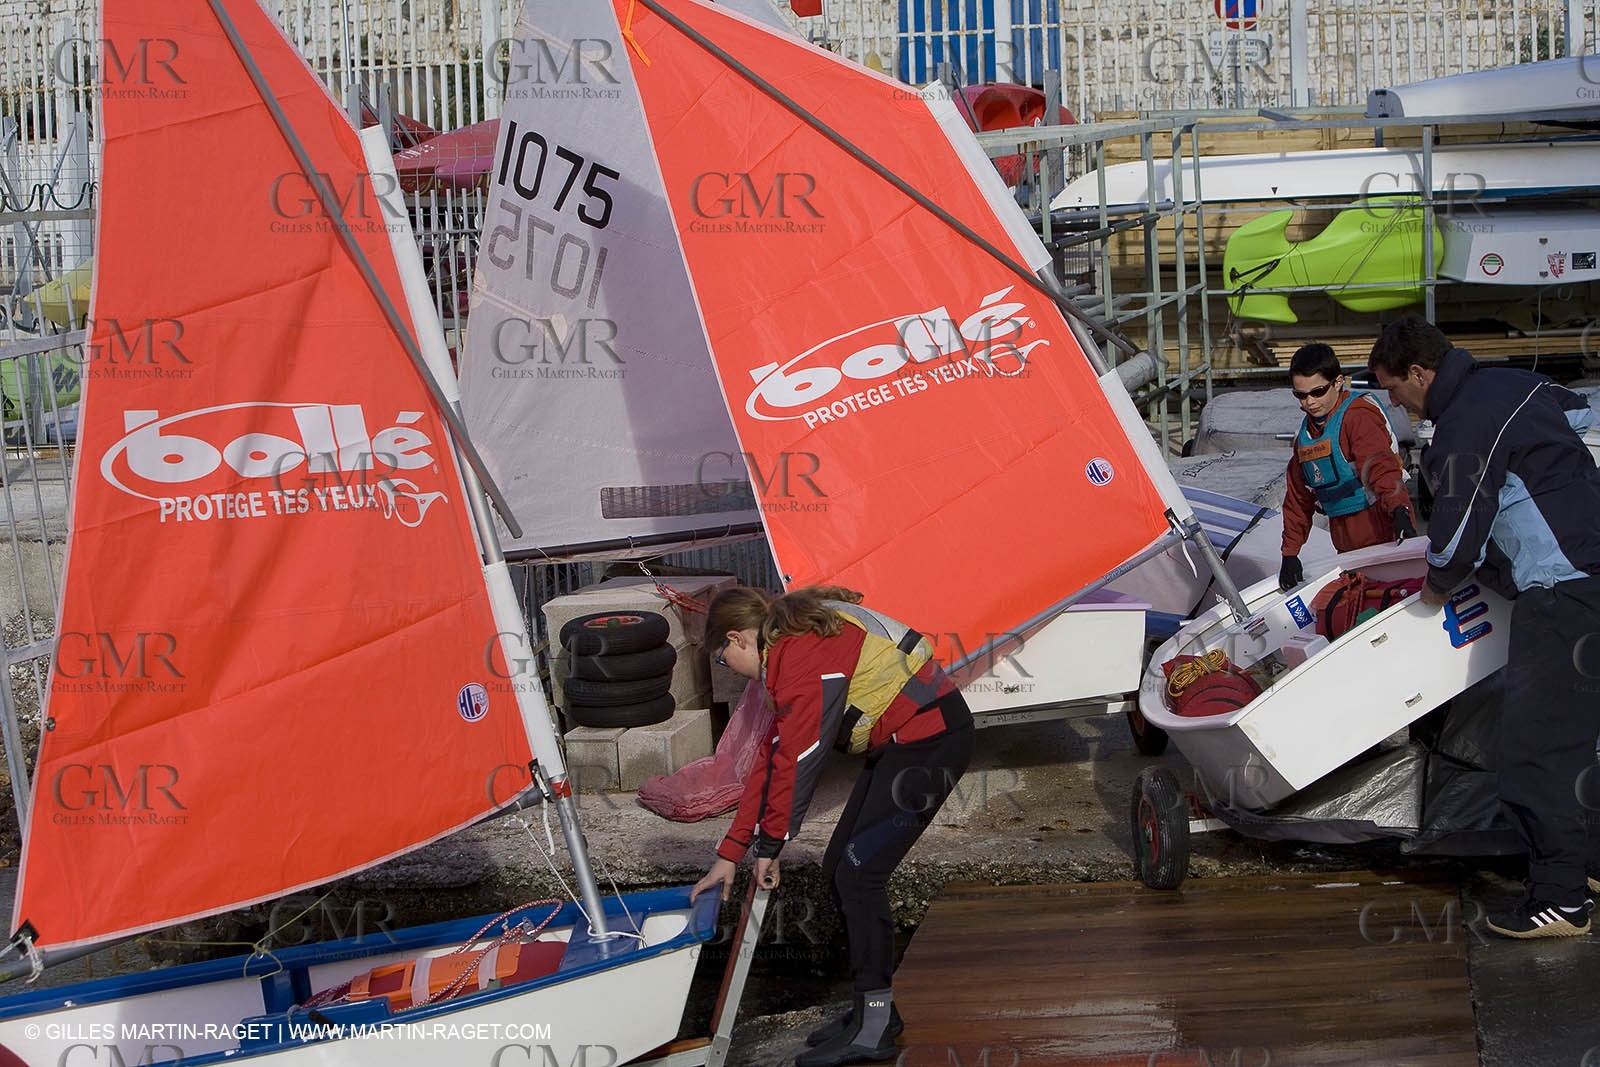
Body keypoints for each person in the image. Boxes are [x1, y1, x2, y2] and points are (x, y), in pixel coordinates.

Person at [1368, 313, 1600, 938]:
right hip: (1589, 572)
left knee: (1533, 751)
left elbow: (1457, 531)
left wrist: (1435, 589)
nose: (1394, 401)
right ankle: (1588, 864)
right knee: (1578, 741)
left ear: (1419, 373)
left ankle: (1561, 898)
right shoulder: (1512, 384)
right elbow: (1578, 414)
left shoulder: (1463, 423)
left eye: (1393, 387)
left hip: (1563, 594)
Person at [691, 584, 974, 1066]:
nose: (729, 671)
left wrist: (771, 845)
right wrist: (730, 853)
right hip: (901, 748)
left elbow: (799, 761)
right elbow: (771, 755)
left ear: (738, 639)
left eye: (722, 660)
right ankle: (872, 1009)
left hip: (934, 745)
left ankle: (876, 1025)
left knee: (860, 874)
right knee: (837, 868)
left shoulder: (801, 658)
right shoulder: (785, 650)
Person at [1279, 342, 1416, 591]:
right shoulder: (1305, 438)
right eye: (1301, 395)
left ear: (1338, 382)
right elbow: (1298, 499)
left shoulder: (1359, 417)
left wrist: (1399, 510)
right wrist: (1290, 552)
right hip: (1344, 537)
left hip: (1383, 525)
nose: (1309, 402)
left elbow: (1381, 468)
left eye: (1318, 392)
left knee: (1394, 594)